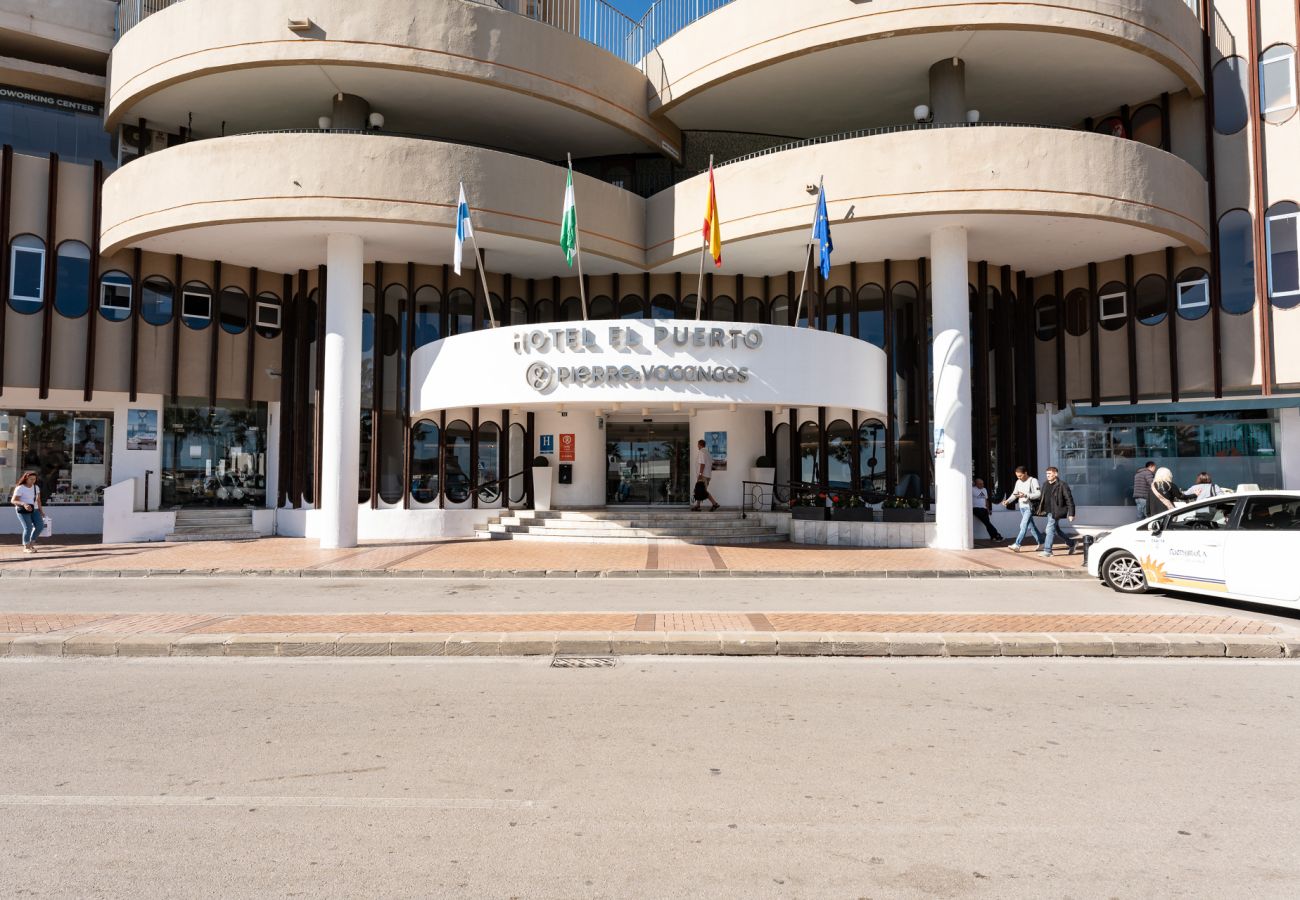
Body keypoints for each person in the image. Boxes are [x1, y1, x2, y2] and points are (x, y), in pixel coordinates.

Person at [1036, 466, 1078, 557]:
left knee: (1049, 529)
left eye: (1050, 474)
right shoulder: (1045, 484)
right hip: (1048, 511)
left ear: (1055, 474)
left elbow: (1069, 499)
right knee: (1056, 530)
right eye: (1047, 474)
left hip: (1057, 511)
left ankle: (1048, 551)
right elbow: (1042, 498)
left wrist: (1071, 513)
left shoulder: (1062, 485)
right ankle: (1072, 543)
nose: (1048, 475)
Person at [1003, 465, 1043, 551]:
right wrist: (1008, 501)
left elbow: (1039, 494)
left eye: (1020, 476)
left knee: (1023, 525)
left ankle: (1017, 545)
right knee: (1031, 527)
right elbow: (1015, 493)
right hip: (1022, 507)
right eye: (1017, 476)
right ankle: (1042, 543)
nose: (1019, 478)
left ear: (1025, 473)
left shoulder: (1033, 480)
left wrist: (1026, 495)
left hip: (1030, 507)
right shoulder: (1018, 482)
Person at [10, 470, 45, 554]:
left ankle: (31, 543)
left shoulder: (36, 487)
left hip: (35, 509)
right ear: (26, 479)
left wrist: (41, 511)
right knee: (28, 528)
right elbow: (13, 500)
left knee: (40, 526)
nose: (33, 481)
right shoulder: (20, 488)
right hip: (23, 510)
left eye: (34, 479)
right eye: (31, 479)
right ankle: (26, 546)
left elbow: (38, 500)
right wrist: (24, 504)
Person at [691, 438, 719, 512]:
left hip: (703, 475)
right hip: (708, 475)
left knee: (702, 491)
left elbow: (702, 464)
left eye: (698, 444)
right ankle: (697, 506)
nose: (697, 446)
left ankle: (714, 503)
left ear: (700, 444)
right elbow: (711, 464)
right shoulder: (708, 453)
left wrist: (700, 474)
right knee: (699, 490)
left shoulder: (701, 452)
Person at [971, 477, 1002, 541]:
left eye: (982, 483)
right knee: (987, 522)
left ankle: (993, 537)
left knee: (987, 523)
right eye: (980, 484)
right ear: (976, 484)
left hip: (984, 509)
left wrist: (988, 509)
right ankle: (997, 535)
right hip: (976, 508)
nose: (982, 485)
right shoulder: (972, 489)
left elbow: (986, 500)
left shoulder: (984, 489)